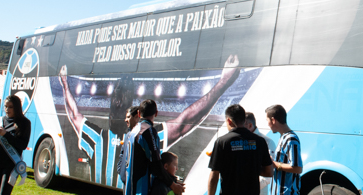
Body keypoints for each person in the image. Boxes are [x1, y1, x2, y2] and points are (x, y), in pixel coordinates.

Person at [59, 54, 241, 187]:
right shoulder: (146, 135)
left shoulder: (99, 138)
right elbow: (184, 121)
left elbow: (74, 113)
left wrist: (65, 84)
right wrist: (223, 82)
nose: (118, 104)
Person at [117, 105, 140, 195]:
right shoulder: (128, 134)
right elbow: (122, 154)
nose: (126, 120)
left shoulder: (140, 135)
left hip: (134, 182)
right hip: (126, 180)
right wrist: (120, 170)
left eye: (128, 117)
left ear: (137, 116)